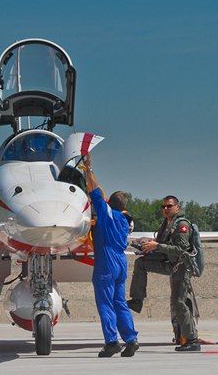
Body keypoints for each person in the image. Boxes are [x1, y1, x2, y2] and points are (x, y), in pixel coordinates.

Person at [83, 153, 139, 358]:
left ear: (110, 203)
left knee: (105, 303)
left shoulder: (107, 215)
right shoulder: (125, 220)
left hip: (106, 262)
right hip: (121, 261)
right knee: (119, 302)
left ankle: (111, 341)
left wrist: (89, 170)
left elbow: (96, 192)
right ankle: (131, 339)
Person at [126, 196, 200, 351]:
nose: (165, 209)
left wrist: (157, 245)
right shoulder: (167, 224)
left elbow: (180, 250)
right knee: (141, 263)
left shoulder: (181, 225)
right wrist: (147, 243)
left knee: (179, 302)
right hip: (171, 264)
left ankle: (192, 341)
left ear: (177, 207)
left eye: (169, 206)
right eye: (163, 206)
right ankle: (137, 300)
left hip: (181, 266)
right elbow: (165, 244)